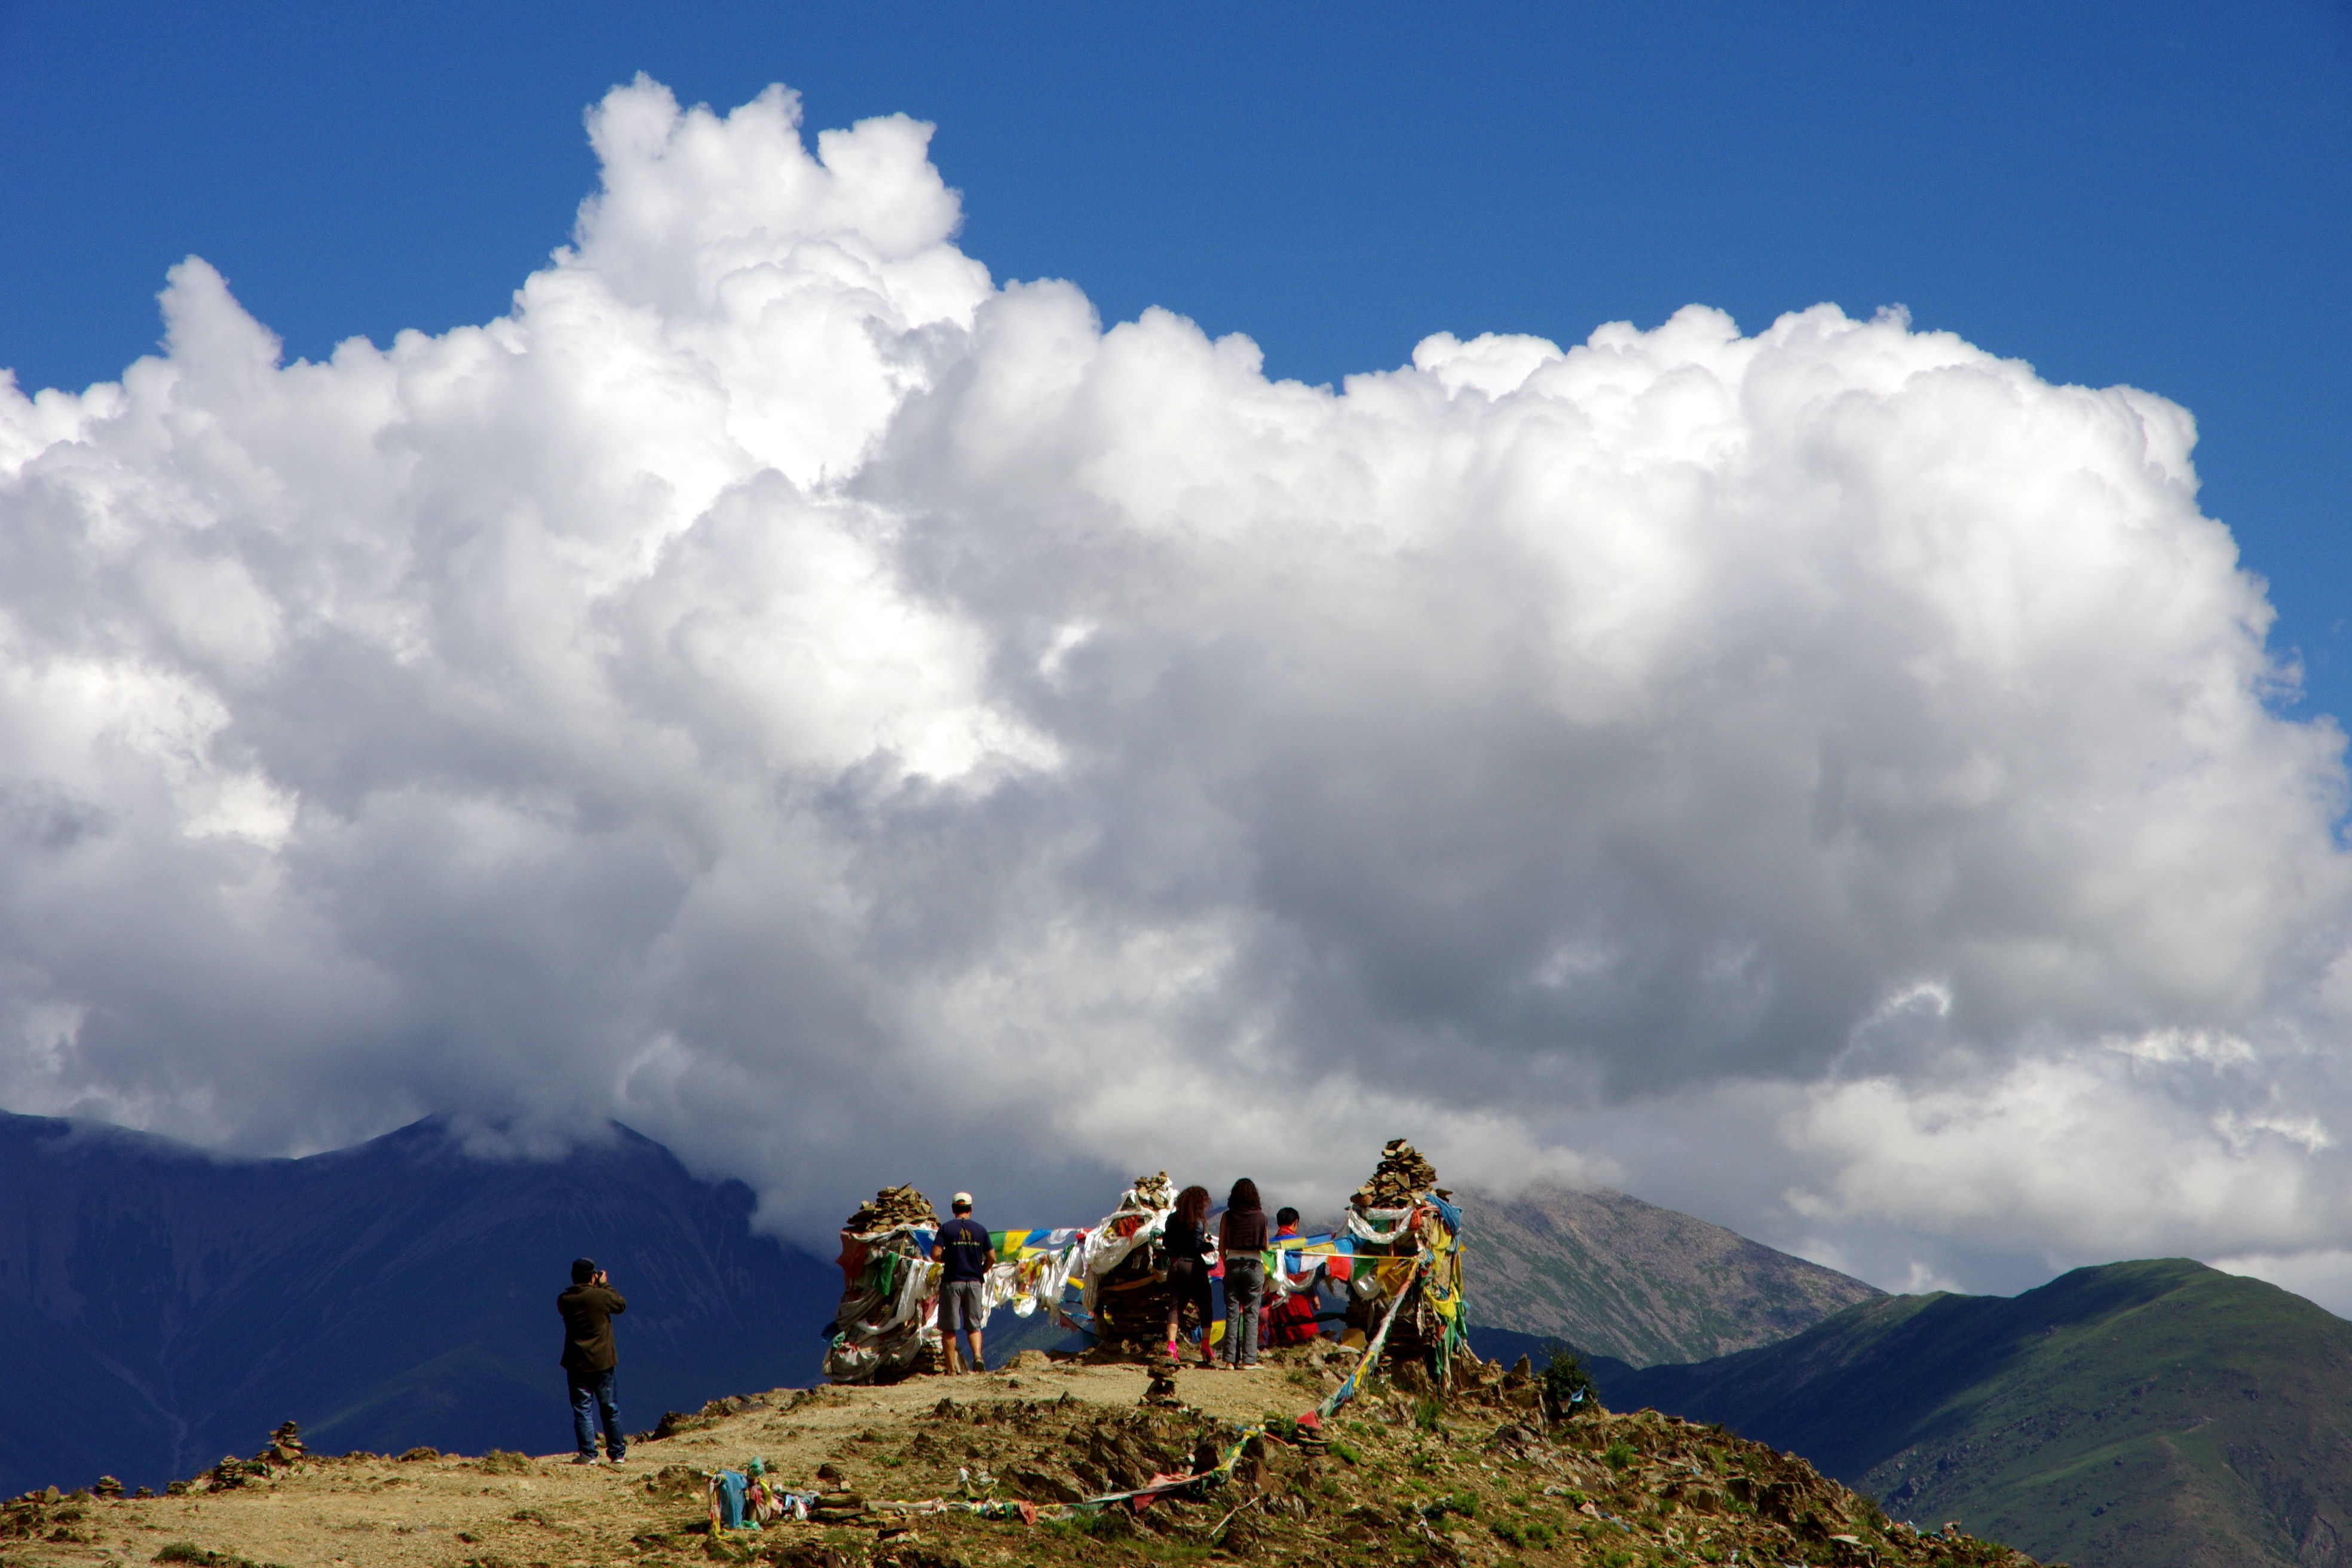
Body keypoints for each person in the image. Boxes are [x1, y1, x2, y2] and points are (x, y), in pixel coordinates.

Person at [557, 1257, 627, 1465]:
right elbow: (620, 1304)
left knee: (582, 1408)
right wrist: (604, 1284)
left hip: (577, 1362)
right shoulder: (601, 1296)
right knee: (610, 1407)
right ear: (592, 1276)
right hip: (603, 1361)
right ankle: (617, 1453)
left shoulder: (565, 1300)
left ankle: (588, 1454)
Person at [930, 1192, 996, 1374]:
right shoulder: (980, 1230)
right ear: (971, 1209)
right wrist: (982, 1270)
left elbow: (935, 1255)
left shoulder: (946, 1229)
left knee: (949, 1327)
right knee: (974, 1324)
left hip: (952, 1281)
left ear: (953, 1209)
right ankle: (978, 1357)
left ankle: (951, 1369)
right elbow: (992, 1257)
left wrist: (949, 1258)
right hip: (974, 1282)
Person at [1162, 1184, 1217, 1368]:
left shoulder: (1171, 1219)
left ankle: (1171, 1346)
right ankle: (1205, 1346)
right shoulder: (1198, 1223)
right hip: (1194, 1266)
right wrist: (1207, 1247)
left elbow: (1166, 1243)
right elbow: (1197, 1246)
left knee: (1175, 1306)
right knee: (1205, 1305)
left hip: (1176, 1266)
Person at [1218, 1178, 1269, 1368]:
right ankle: (1249, 1360)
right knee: (1251, 1312)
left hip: (1232, 1263)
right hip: (1254, 1265)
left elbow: (1221, 1245)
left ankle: (1229, 1360)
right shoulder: (1261, 1217)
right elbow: (1265, 1245)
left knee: (1232, 1312)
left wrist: (1227, 1262)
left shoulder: (1227, 1216)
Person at [1262, 1206, 1322, 1347]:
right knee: (1307, 1333)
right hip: (1296, 1296)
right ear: (1296, 1222)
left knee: (1280, 1334)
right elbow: (1306, 1271)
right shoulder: (1301, 1244)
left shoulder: (1269, 1246)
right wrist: (1313, 1295)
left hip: (1274, 1294)